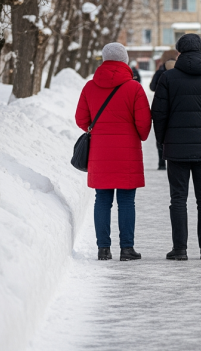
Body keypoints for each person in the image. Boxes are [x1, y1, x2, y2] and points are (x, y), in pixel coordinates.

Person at [151, 34, 201, 261]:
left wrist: (162, 140)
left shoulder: (168, 78)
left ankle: (180, 250)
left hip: (176, 149)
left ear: (179, 52)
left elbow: (158, 113)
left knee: (178, 199)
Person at [75, 43, 152, 261]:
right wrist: (137, 134)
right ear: (125, 61)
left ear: (104, 60)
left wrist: (96, 128)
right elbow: (144, 124)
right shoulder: (134, 88)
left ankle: (103, 249)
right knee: (127, 202)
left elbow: (81, 119)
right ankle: (127, 249)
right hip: (128, 155)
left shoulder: (90, 87)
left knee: (102, 200)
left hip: (100, 154)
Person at [149, 49, 179, 170]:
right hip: (176, 106)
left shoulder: (161, 70)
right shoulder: (179, 70)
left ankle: (161, 163)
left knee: (161, 134)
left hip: (162, 105)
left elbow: (152, 87)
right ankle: (175, 160)